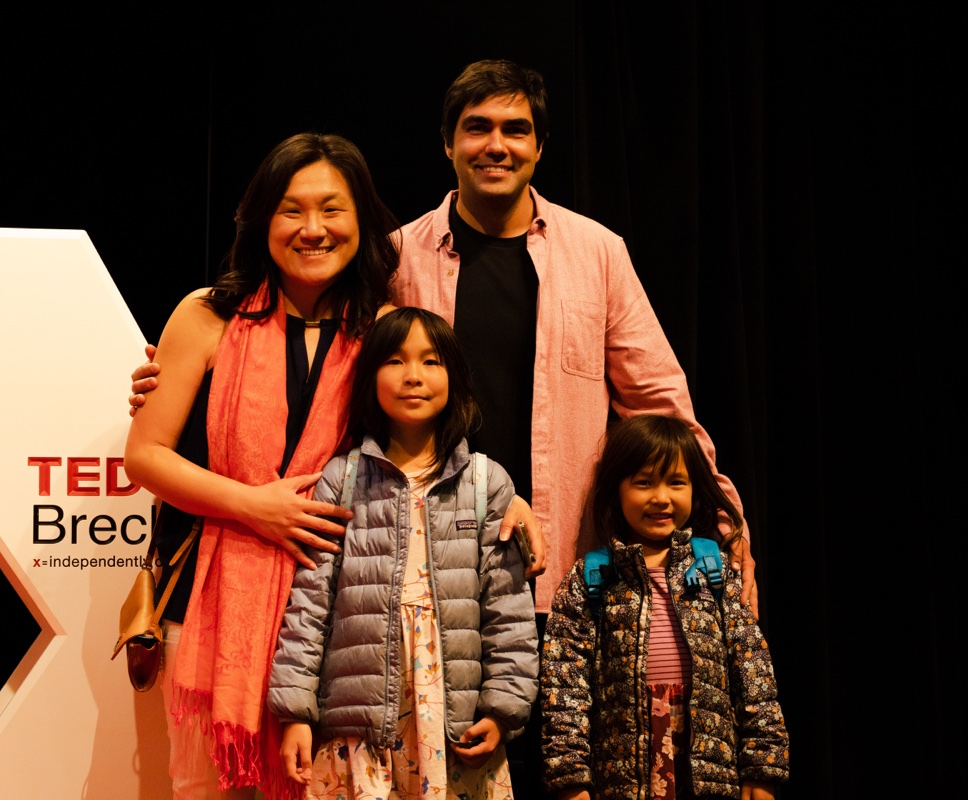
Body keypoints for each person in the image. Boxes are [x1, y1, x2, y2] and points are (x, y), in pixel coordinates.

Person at [129, 58, 755, 798]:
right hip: (391, 582)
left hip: (552, 568)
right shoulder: (393, 265)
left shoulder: (595, 254)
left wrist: (712, 505)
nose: (497, 145)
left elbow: (659, 402)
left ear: (541, 145)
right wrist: (167, 383)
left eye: (515, 129)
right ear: (447, 144)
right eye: (477, 128)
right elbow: (322, 385)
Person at [122, 132, 399, 796]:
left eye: (331, 209)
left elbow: (429, 458)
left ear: (361, 219)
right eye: (289, 209)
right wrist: (255, 506)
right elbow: (145, 455)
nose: (312, 229)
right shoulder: (206, 315)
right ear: (261, 219)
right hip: (206, 605)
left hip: (338, 616)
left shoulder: (390, 329)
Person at [267, 307, 538, 799]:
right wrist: (295, 713)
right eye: (394, 360)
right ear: (370, 376)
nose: (413, 375)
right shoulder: (342, 479)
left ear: (454, 377)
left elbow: (509, 614)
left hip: (452, 723)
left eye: (431, 361)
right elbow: (309, 605)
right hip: (359, 721)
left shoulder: (485, 483)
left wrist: (502, 708)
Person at [541, 414, 788, 800]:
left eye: (676, 482)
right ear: (616, 490)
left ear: (695, 489)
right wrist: (570, 779)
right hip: (623, 778)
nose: (661, 497)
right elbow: (564, 689)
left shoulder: (717, 572)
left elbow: (755, 675)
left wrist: (763, 766)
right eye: (643, 482)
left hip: (708, 771)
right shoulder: (589, 580)